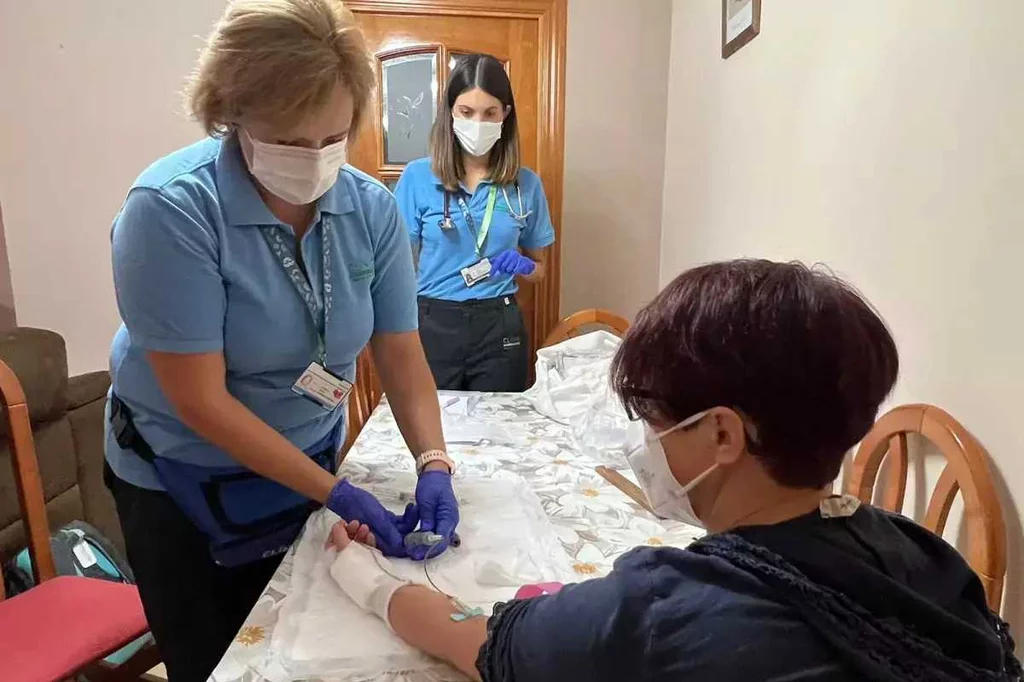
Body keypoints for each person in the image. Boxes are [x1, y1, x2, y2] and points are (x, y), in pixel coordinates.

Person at [325, 259, 1022, 682]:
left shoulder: (663, 611)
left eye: (655, 423)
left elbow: (475, 640)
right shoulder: (923, 553)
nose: (645, 445)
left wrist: (359, 576)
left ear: (721, 432)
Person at [103, 2, 458, 680]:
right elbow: (201, 404)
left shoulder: (369, 208)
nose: (316, 158)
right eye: (291, 142)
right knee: (219, 659)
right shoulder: (171, 211)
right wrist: (336, 493)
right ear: (230, 114)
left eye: (334, 137)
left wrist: (434, 462)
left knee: (309, 647)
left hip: (306, 462)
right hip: (183, 479)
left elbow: (400, 355)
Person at [394, 54, 555, 392]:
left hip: (499, 325)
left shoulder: (525, 184)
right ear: (450, 112)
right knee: (436, 425)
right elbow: (395, 267)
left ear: (505, 115)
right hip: (434, 320)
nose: (477, 123)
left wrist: (524, 264)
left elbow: (541, 271)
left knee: (498, 428)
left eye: (489, 113)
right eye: (466, 112)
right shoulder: (418, 177)